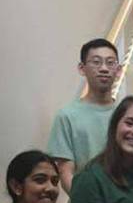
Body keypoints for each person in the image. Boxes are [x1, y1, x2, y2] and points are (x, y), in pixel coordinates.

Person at [47, 39, 121, 194]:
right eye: (96, 62)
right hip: (87, 201)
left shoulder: (127, 116)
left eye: (110, 63)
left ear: (118, 70)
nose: (104, 69)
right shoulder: (67, 116)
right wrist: (85, 202)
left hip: (125, 201)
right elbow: (65, 172)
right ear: (82, 68)